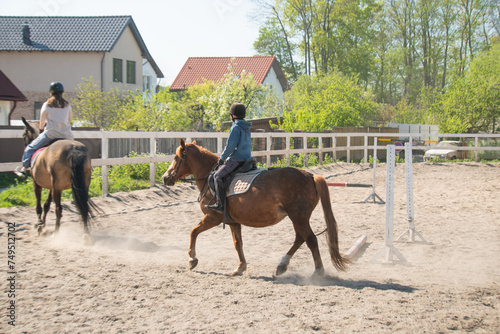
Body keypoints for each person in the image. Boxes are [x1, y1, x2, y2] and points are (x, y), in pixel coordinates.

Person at [14, 82, 74, 178]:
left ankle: (24, 168)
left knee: (30, 148)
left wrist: (42, 127)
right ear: (62, 92)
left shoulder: (47, 105)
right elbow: (70, 119)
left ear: (51, 92)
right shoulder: (67, 105)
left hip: (51, 134)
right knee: (75, 151)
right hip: (67, 135)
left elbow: (42, 123)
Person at [206, 102, 252, 213]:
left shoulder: (235, 127)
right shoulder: (246, 127)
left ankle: (220, 204)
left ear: (233, 115)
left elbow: (230, 146)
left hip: (236, 159)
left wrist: (222, 158)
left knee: (217, 176)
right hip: (247, 158)